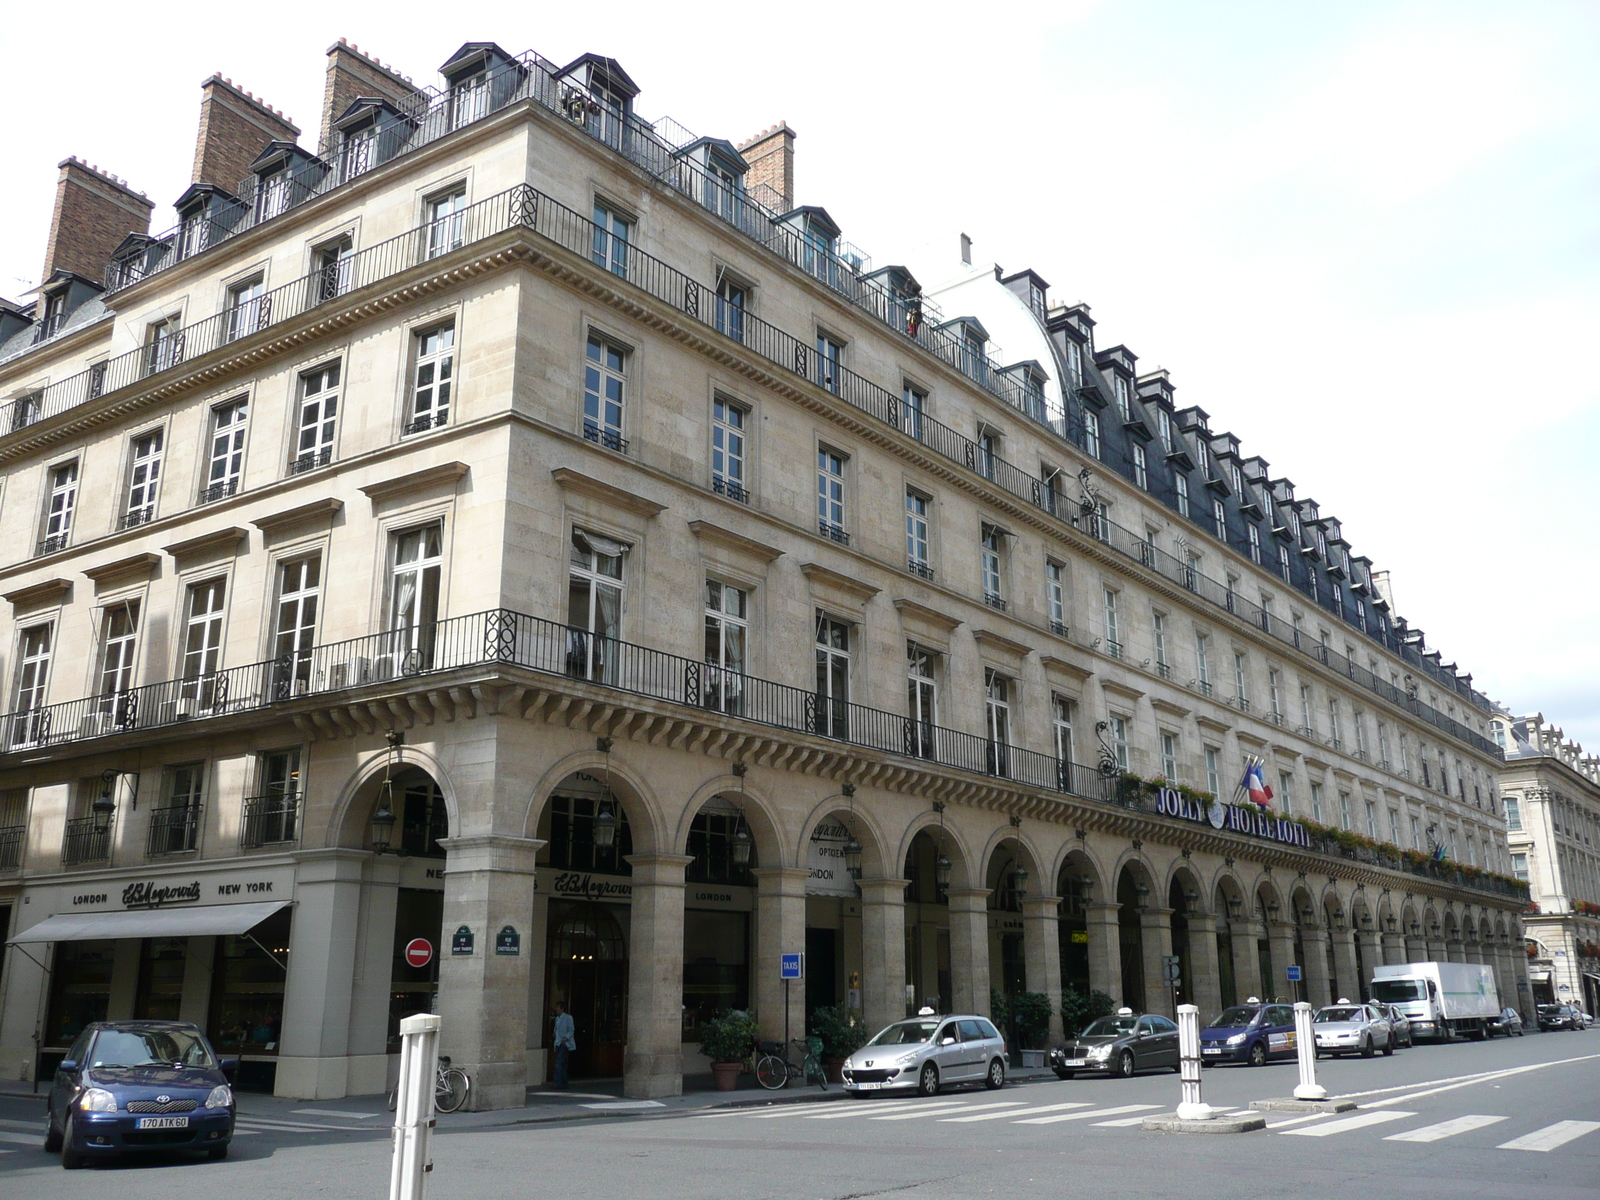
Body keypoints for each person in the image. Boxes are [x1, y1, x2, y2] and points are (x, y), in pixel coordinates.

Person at [552, 1001, 576, 1088]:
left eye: (558, 1007)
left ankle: (557, 1082)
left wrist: (566, 1038)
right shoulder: (557, 1019)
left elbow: (571, 1029)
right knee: (561, 1063)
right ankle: (563, 1082)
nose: (556, 1009)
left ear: (562, 1009)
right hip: (558, 1042)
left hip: (564, 1042)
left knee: (558, 1062)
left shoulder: (568, 1018)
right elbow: (556, 1030)